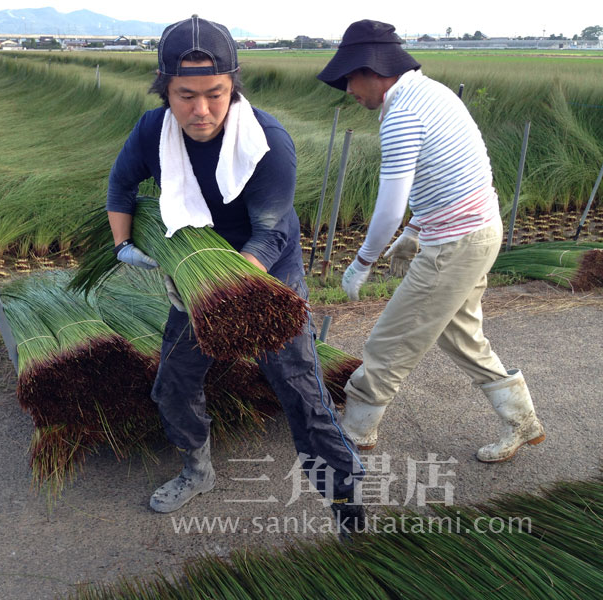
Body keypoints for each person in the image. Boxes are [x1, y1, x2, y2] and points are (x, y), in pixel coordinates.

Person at [106, 14, 365, 534]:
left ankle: (344, 502)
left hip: (265, 278)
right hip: (197, 278)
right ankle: (197, 470)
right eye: (185, 95)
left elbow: (270, 235)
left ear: (233, 88)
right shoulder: (153, 131)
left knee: (301, 392)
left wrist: (230, 290)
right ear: (165, 91)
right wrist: (122, 247)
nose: (201, 111)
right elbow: (121, 185)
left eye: (215, 94)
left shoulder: (266, 140)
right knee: (174, 383)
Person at [316, 19, 545, 462]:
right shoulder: (432, 93)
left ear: (373, 68)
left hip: (456, 244)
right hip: (478, 231)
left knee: (388, 343)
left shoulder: (401, 114)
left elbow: (388, 207)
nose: (348, 89)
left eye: (350, 77)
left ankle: (354, 436)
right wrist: (415, 230)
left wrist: (363, 261)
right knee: (461, 336)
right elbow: (449, 175)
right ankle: (522, 422)